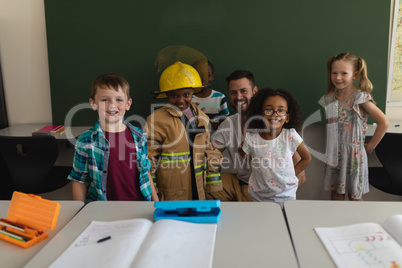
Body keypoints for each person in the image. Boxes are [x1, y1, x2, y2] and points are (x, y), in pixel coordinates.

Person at [208, 70, 307, 201]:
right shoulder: (228, 124)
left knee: (255, 204)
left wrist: (277, 189)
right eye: (233, 93)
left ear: (255, 92)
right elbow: (210, 153)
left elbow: (301, 176)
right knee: (207, 183)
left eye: (243, 91)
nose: (238, 97)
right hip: (238, 182)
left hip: (262, 190)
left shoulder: (275, 127)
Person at [68, 73, 158, 203]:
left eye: (119, 100)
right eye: (105, 100)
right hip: (104, 209)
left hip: (138, 206)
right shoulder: (86, 141)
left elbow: (145, 172)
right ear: (93, 104)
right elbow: (79, 180)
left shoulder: (139, 137)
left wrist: (156, 203)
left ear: (128, 104)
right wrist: (79, 211)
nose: (112, 105)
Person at [145, 61, 223, 200]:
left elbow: (210, 152)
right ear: (167, 95)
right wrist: (153, 194)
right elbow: (148, 160)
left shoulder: (202, 118)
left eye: (186, 94)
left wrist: (212, 188)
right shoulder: (156, 120)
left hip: (199, 191)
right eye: (174, 95)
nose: (181, 100)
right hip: (170, 193)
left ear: (193, 92)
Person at [319, 52, 389, 201]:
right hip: (335, 156)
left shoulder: (359, 98)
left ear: (355, 75)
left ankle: (358, 224)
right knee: (336, 194)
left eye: (344, 73)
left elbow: (384, 122)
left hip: (354, 156)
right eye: (334, 73)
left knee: (355, 197)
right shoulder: (329, 99)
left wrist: (369, 147)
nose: (338, 77)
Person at [240, 88, 311, 206]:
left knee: (283, 221)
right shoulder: (251, 138)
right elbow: (243, 152)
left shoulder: (290, 136)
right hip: (259, 196)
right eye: (268, 110)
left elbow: (307, 158)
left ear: (287, 117)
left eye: (281, 110)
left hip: (286, 195)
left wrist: (291, 174)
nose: (275, 114)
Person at [192, 61, 230, 129]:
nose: (203, 79)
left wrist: (208, 125)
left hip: (214, 138)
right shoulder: (188, 98)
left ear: (212, 77)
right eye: (199, 75)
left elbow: (226, 122)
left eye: (208, 75)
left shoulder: (219, 97)